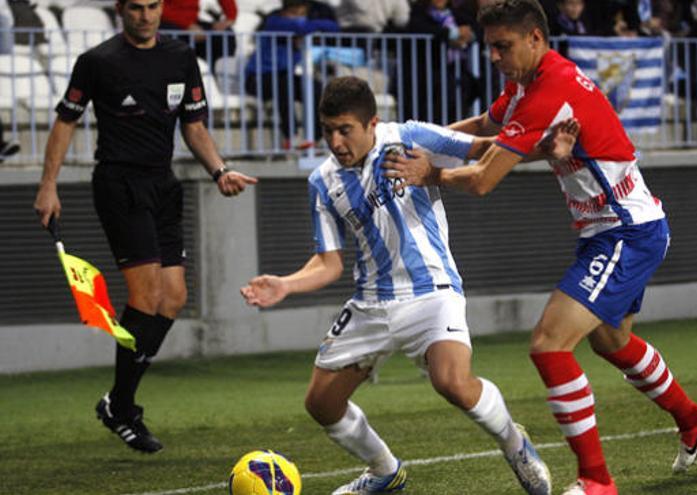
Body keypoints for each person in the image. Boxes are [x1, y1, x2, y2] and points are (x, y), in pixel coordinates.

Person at [382, 1, 697, 494]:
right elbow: (482, 126)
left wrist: (427, 172)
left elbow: (481, 181)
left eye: (503, 46)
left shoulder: (549, 91)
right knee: (609, 341)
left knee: (548, 344)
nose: (494, 56)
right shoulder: (529, 83)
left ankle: (597, 482)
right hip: (616, 229)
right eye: (490, 47)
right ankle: (694, 420)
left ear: (535, 39)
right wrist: (404, 136)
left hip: (626, 232)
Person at [240, 76, 553, 495]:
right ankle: (385, 471)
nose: (335, 141)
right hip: (370, 302)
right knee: (320, 404)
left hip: (431, 290)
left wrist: (547, 150)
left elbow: (483, 150)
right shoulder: (323, 182)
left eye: (344, 129)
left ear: (371, 123)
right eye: (328, 130)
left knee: (453, 383)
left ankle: (515, 445)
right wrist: (286, 284)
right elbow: (329, 262)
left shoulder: (408, 138)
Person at [33, 0, 257, 453]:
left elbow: (194, 126)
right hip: (119, 184)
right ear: (121, 10)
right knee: (146, 297)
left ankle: (118, 403)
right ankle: (123, 406)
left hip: (162, 184)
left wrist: (219, 170)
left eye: (153, 5)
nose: (146, 15)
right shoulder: (97, 62)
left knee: (173, 299)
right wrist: (48, 185)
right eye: (136, 7)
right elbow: (65, 122)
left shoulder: (180, 57)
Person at [244, 0, 338, 147]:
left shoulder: (300, 29)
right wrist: (307, 28)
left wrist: (306, 29)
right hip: (257, 79)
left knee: (315, 87)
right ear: (284, 12)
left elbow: (333, 27)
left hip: (283, 77)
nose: (298, 17)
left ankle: (315, 137)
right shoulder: (273, 22)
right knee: (284, 83)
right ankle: (291, 135)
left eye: (302, 14)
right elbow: (302, 26)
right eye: (294, 13)